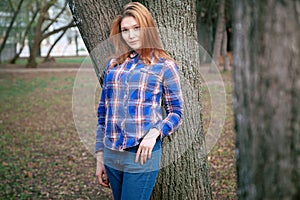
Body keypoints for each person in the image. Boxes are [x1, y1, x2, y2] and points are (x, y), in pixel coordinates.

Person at [95, 2, 183, 200]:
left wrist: (155, 132)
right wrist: (100, 155)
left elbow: (177, 112)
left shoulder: (164, 65)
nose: (131, 35)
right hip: (112, 153)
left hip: (141, 154)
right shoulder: (114, 65)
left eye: (137, 28)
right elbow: (103, 113)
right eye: (125, 30)